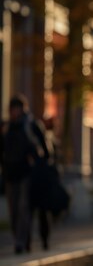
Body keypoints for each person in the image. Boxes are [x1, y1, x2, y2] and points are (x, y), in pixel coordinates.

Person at [1, 94, 52, 253]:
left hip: (27, 174)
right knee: (14, 210)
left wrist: (36, 160)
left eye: (17, 109)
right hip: (10, 174)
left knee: (24, 208)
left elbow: (45, 150)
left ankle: (21, 242)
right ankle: (19, 238)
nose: (15, 112)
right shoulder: (6, 127)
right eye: (12, 109)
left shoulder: (31, 125)